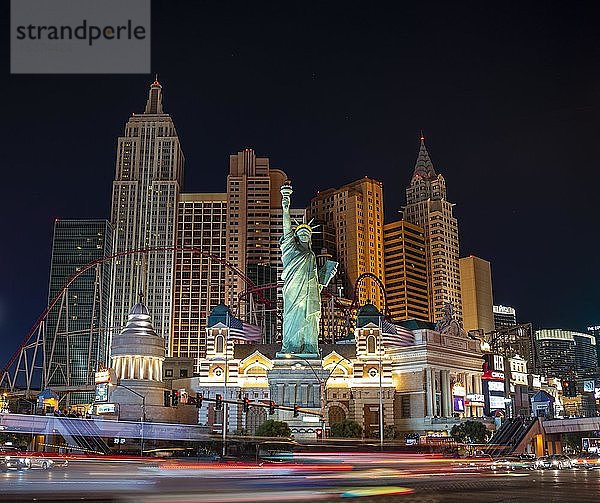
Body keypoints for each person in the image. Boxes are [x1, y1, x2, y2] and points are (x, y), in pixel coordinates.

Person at [279, 181, 337, 356]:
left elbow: (317, 282)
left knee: (311, 318)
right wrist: (286, 204)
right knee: (292, 318)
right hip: (293, 291)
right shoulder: (292, 249)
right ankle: (291, 347)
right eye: (301, 232)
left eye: (307, 232)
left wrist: (326, 274)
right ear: (296, 236)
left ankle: (310, 346)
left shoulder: (311, 255)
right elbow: (286, 228)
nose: (304, 233)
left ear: (310, 237)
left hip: (311, 293)